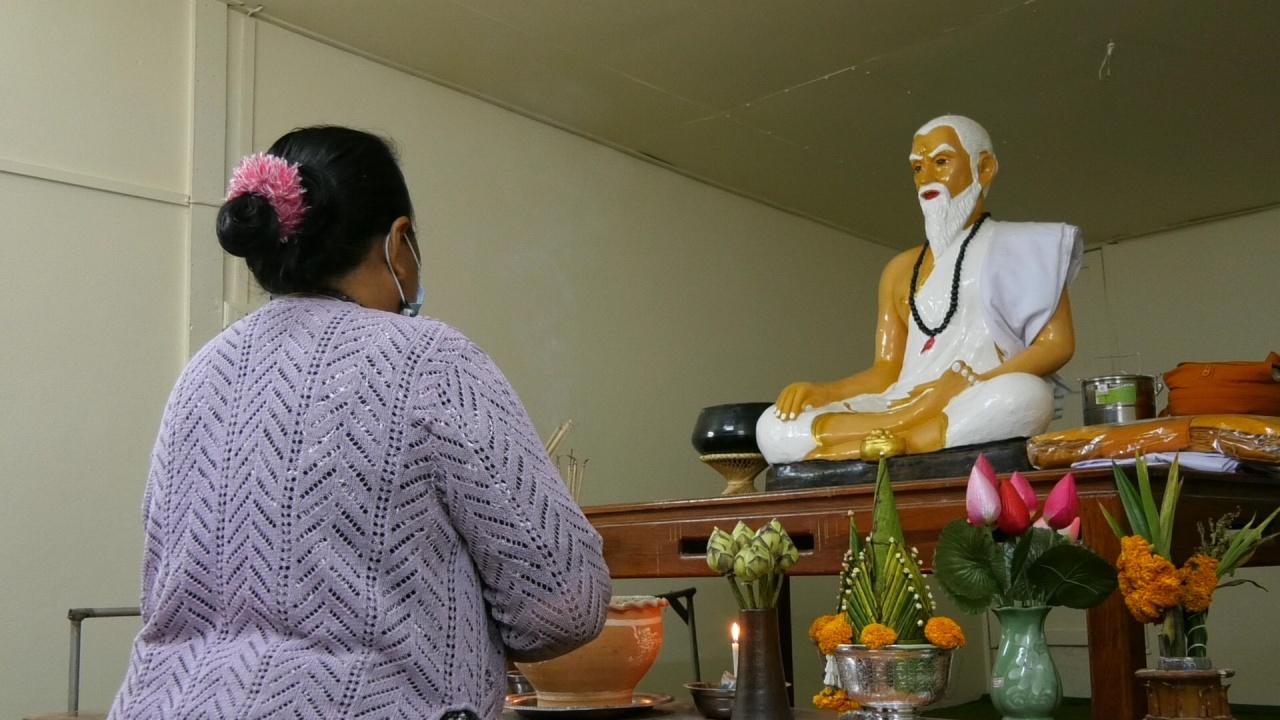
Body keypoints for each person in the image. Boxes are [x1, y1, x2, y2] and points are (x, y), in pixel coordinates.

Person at [109, 126, 611, 720]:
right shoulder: (430, 360)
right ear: (398, 242)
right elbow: (565, 604)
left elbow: (169, 594)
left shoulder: (201, 375)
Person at [756, 115, 1081, 464]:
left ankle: (881, 445)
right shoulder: (900, 270)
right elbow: (887, 369)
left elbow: (1056, 345)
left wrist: (973, 382)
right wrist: (825, 392)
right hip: (905, 402)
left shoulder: (1024, 245)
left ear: (984, 168)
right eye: (917, 168)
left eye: (941, 162)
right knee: (772, 423)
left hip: (973, 394)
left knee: (1026, 395)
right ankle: (902, 433)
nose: (926, 179)